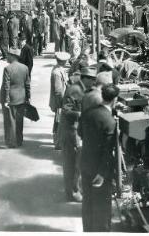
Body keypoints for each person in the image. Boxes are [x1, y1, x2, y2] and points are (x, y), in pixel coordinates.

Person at [78, 84, 119, 232]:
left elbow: (80, 133)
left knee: (87, 203)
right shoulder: (110, 122)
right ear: (115, 99)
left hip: (85, 164)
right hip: (100, 171)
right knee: (102, 208)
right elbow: (108, 151)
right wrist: (102, 173)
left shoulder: (88, 112)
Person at [59, 65, 96, 202]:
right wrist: (84, 114)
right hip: (71, 132)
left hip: (77, 131)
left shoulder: (84, 88)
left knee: (77, 163)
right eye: (92, 79)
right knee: (71, 163)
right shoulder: (75, 90)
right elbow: (66, 111)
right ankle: (72, 193)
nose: (93, 82)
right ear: (85, 78)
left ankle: (74, 189)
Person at [0, 48, 31, 148]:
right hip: (22, 97)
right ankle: (19, 140)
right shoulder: (25, 68)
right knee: (19, 119)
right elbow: (27, 84)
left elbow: (6, 86)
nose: (7, 57)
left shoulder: (8, 69)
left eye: (8, 55)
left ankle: (11, 142)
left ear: (13, 56)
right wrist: (28, 97)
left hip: (11, 98)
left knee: (10, 120)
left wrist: (6, 100)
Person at [50, 51, 70, 150]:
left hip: (60, 101)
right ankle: (58, 143)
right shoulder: (57, 72)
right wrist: (62, 103)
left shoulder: (59, 69)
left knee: (59, 121)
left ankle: (58, 141)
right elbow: (58, 91)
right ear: (64, 61)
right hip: (60, 101)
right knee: (59, 122)